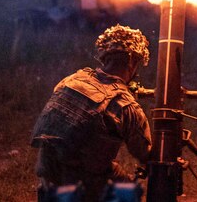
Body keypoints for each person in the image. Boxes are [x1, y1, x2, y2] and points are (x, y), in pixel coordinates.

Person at [30, 25, 152, 200]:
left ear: (104, 56)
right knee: (127, 190)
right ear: (132, 60)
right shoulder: (125, 105)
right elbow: (145, 154)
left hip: (48, 174)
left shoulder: (72, 80)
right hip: (83, 184)